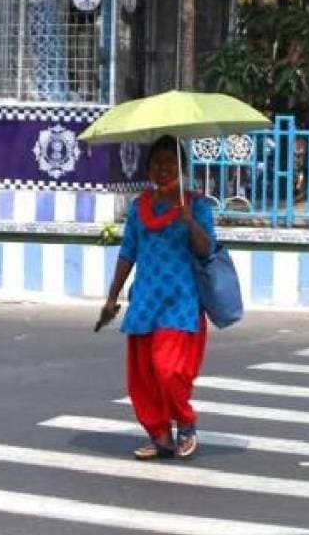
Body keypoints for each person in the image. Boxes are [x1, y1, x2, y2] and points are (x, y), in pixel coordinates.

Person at [99, 135, 215, 460]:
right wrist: (111, 297)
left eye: (170, 164)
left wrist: (189, 220)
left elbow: (207, 250)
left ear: (182, 168)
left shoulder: (198, 205)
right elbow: (127, 253)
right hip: (145, 302)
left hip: (181, 302)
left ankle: (186, 424)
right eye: (156, 164)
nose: (162, 170)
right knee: (143, 377)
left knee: (168, 369)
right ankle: (161, 435)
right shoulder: (139, 208)